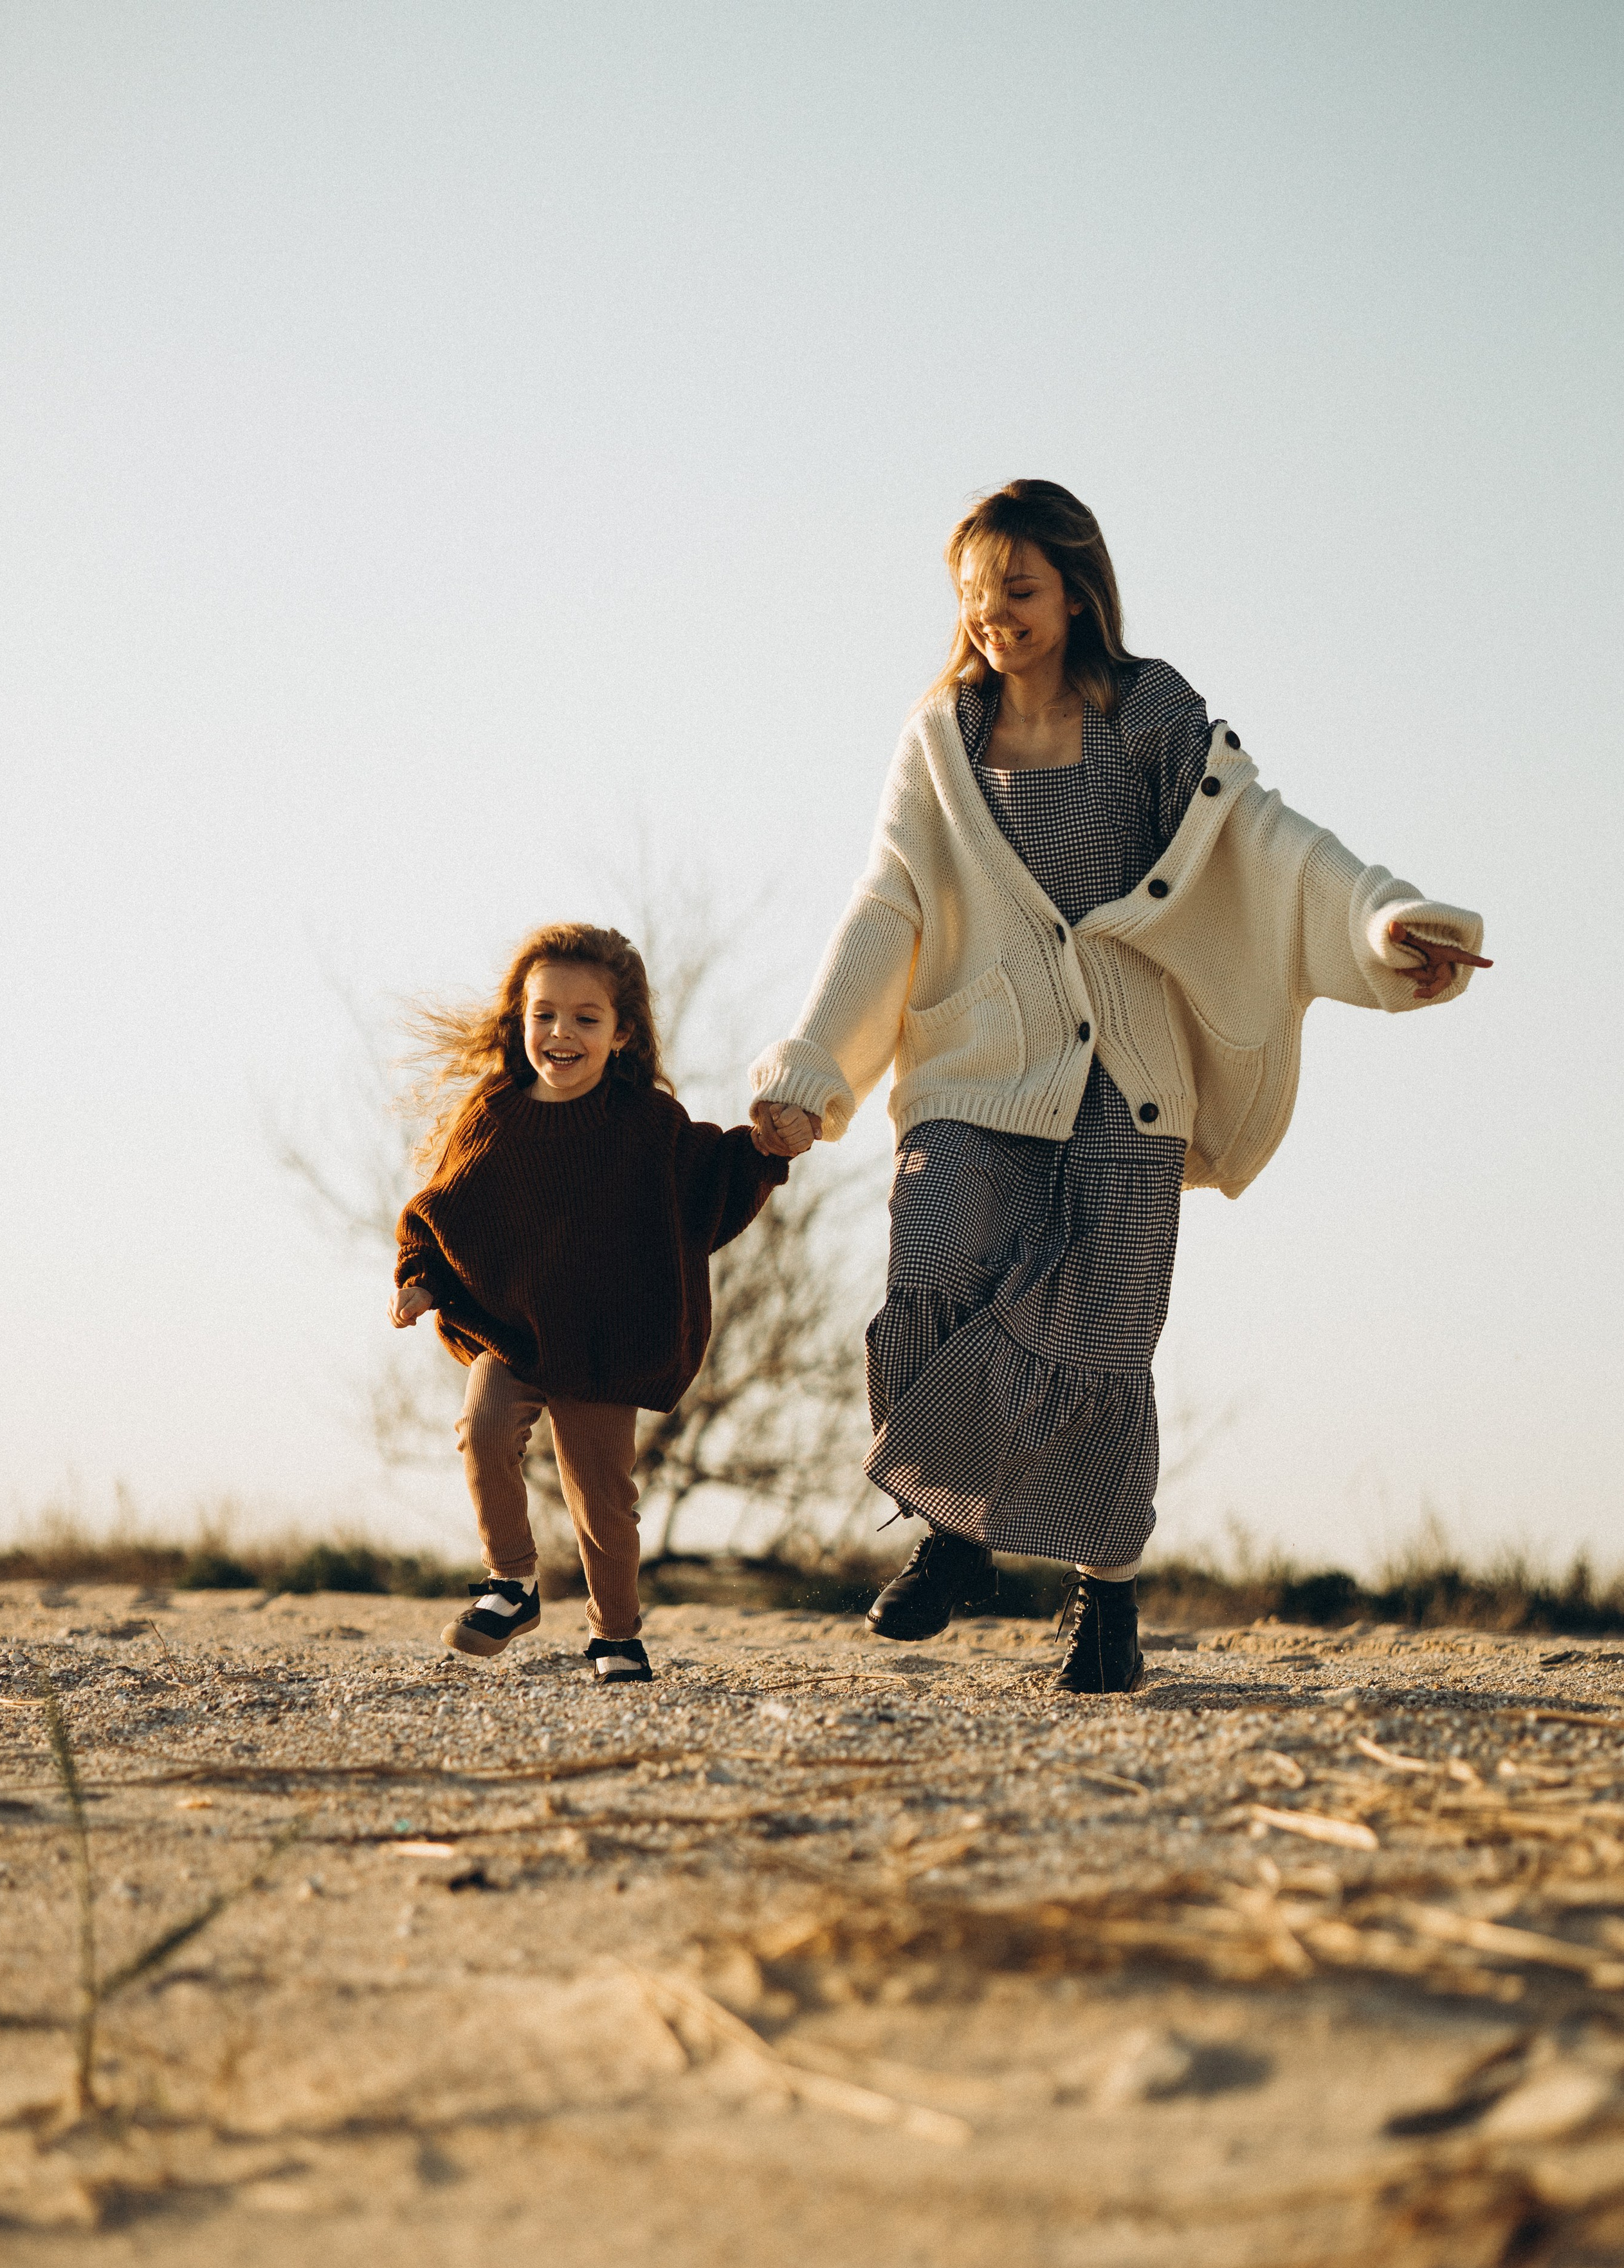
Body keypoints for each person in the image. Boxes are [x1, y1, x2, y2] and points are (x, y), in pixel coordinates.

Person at [751, 479, 1490, 1694]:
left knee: (1101, 1327)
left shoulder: (1150, 713)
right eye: (976, 595)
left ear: (1080, 589)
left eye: (1020, 590)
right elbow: (889, 900)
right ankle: (954, 1536)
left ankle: (1107, 1604)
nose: (995, 616)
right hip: (976, 1068)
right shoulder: (943, 733)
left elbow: (1265, 838)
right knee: (934, 1265)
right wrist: (817, 1064)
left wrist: (1383, 918)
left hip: (1129, 1079)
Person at [391, 922, 814, 1682]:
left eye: (586, 1019)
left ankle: (615, 1635)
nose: (561, 1033)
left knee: (603, 1503)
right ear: (519, 1021)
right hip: (512, 1333)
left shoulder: (647, 1126)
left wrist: (766, 1150)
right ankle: (511, 1584)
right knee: (482, 1431)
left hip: (604, 1345)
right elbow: (442, 1211)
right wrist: (420, 1278)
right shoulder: (494, 1116)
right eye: (544, 1014)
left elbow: (711, 1180)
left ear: (621, 1035)